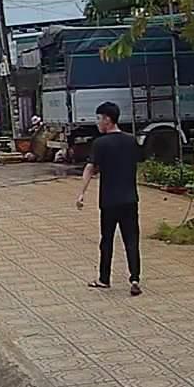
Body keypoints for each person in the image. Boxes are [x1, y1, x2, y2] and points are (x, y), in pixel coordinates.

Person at [77, 101, 142, 296]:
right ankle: (135, 278)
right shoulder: (131, 141)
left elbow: (90, 168)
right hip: (130, 198)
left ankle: (104, 279)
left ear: (107, 119)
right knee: (131, 240)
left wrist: (82, 193)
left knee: (107, 240)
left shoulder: (100, 143)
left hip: (109, 200)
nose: (97, 122)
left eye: (99, 118)